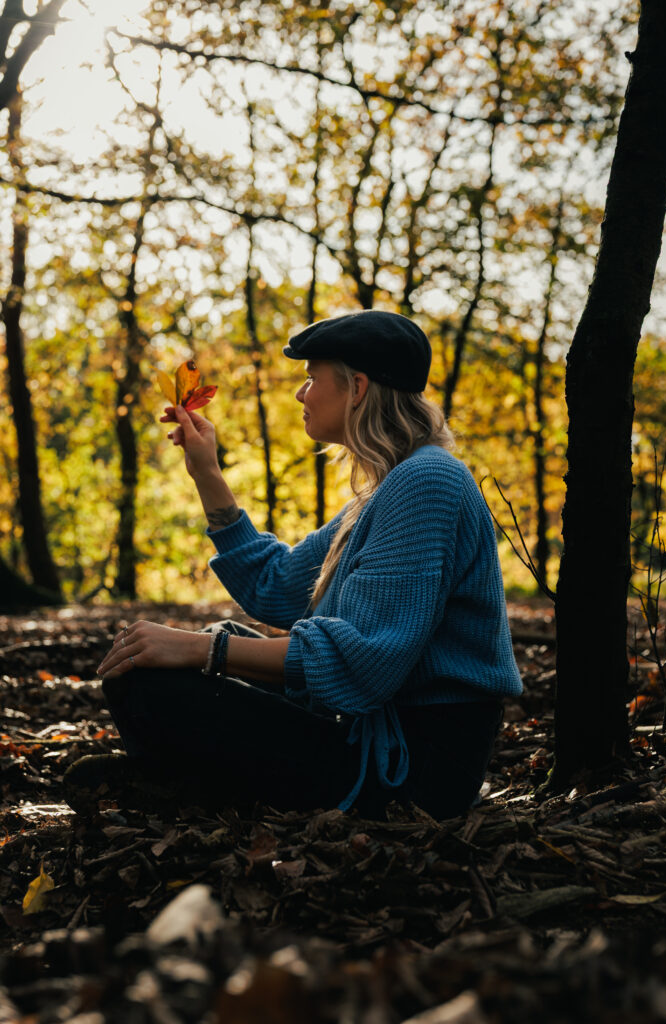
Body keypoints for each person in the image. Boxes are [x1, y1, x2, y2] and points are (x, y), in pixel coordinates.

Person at [64, 310, 522, 820]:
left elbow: (364, 663)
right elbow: (277, 586)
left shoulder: (427, 481)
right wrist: (206, 472)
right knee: (196, 641)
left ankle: (180, 790)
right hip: (370, 735)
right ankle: (177, 786)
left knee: (151, 680)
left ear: (357, 388)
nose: (301, 394)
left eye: (312, 378)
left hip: (410, 772)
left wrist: (201, 650)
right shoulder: (382, 492)